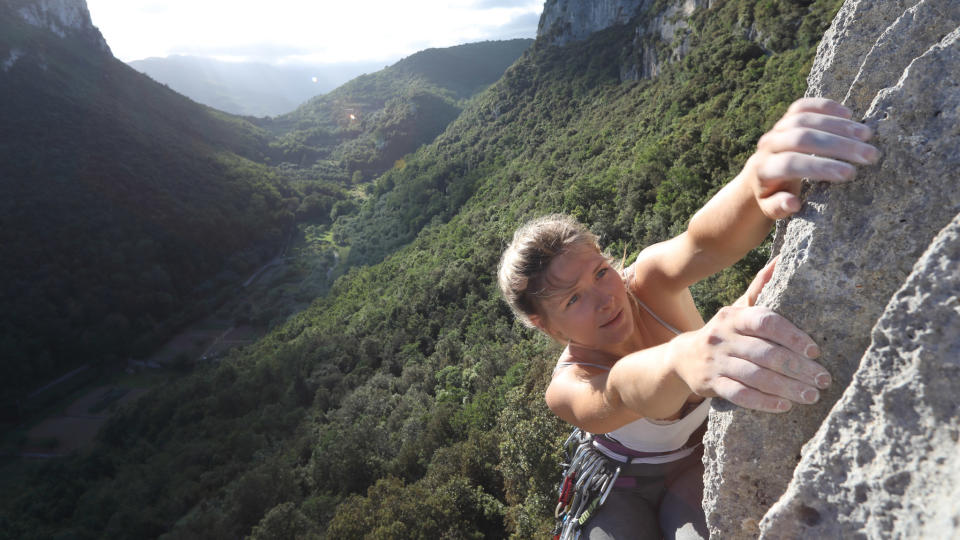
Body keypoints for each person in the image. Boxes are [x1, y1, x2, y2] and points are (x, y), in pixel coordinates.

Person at [497, 98, 879, 539]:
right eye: (572, 299)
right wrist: (684, 355)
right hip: (622, 485)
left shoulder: (647, 284)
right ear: (546, 326)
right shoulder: (568, 387)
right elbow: (623, 390)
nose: (605, 297)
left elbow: (703, 242)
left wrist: (755, 181)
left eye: (601, 271)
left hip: (697, 458)